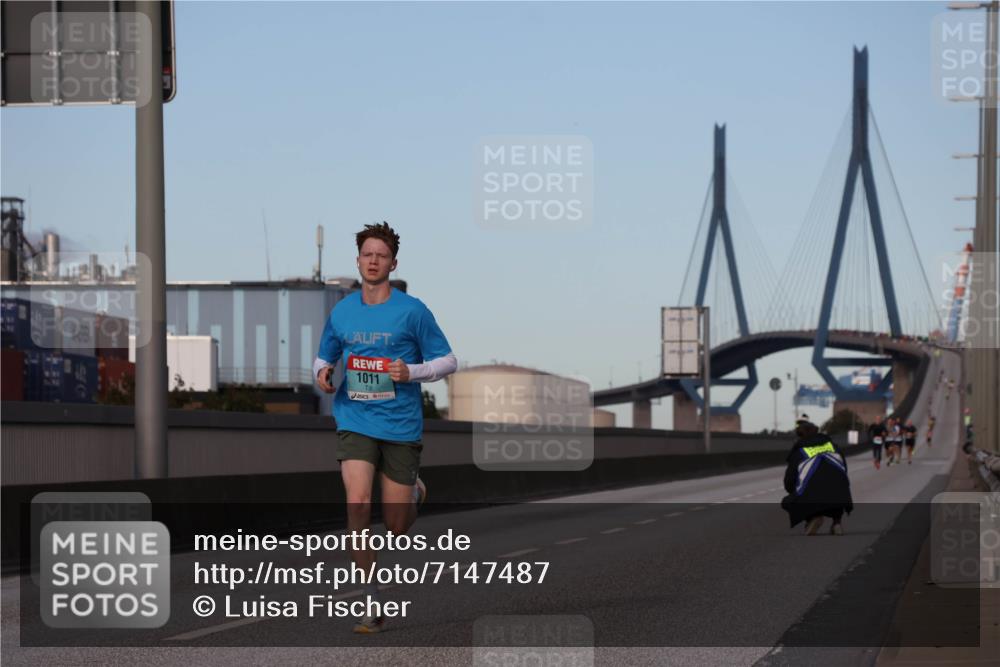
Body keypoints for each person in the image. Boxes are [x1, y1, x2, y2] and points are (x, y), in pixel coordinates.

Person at [314, 222, 457, 634]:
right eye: (367, 254)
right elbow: (323, 358)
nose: (373, 260)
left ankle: (413, 490)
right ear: (358, 261)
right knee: (357, 504)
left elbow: (448, 361)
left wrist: (410, 372)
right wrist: (323, 374)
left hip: (399, 424)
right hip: (354, 418)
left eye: (381, 255)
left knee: (396, 524)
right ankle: (370, 602)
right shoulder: (342, 311)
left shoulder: (412, 311)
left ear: (393, 262)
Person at [781, 419, 853, 535]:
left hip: (813, 497)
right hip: (841, 495)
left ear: (800, 436)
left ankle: (812, 518)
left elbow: (789, 480)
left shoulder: (800, 451)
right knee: (836, 489)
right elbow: (843, 470)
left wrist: (794, 492)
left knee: (789, 501)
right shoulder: (833, 446)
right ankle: (837, 523)